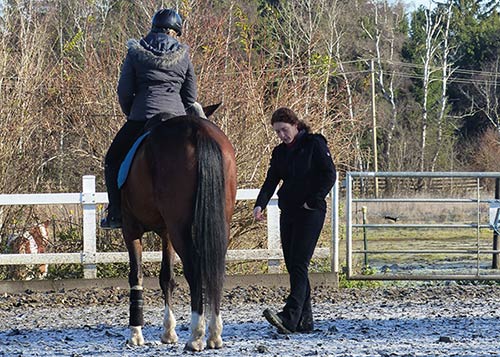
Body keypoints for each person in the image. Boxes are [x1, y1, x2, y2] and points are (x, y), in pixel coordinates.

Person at [101, 8, 206, 229]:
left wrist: (131, 112)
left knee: (112, 160)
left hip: (142, 116)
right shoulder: (183, 55)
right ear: (175, 31)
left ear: (153, 26)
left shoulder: (135, 52)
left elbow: (124, 91)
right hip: (175, 118)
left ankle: (115, 213)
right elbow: (190, 96)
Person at [253, 107, 336, 334]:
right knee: (293, 266)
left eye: (284, 130)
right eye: (277, 132)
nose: (281, 135)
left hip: (310, 212)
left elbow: (329, 174)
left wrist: (314, 199)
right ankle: (305, 321)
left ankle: (289, 317)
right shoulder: (280, 153)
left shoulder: (314, 144)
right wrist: (259, 203)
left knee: (299, 263)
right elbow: (271, 180)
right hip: (288, 211)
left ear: (295, 125)